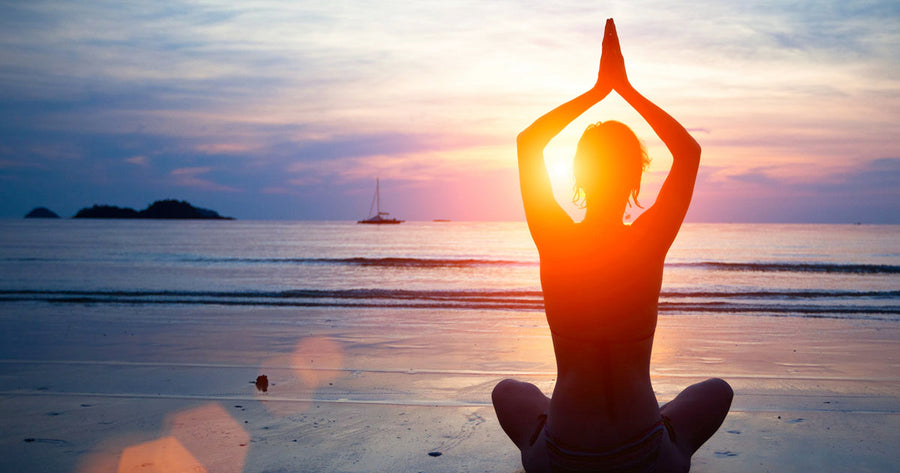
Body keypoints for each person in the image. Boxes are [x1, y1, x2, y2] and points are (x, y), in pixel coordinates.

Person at [492, 19, 733, 473]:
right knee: (717, 389)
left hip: (563, 456)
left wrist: (597, 90)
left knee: (507, 391)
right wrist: (625, 88)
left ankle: (540, 437)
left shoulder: (555, 237)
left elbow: (529, 144)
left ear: (579, 176)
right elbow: (689, 152)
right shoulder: (649, 241)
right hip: (644, 455)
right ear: (636, 178)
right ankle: (668, 437)